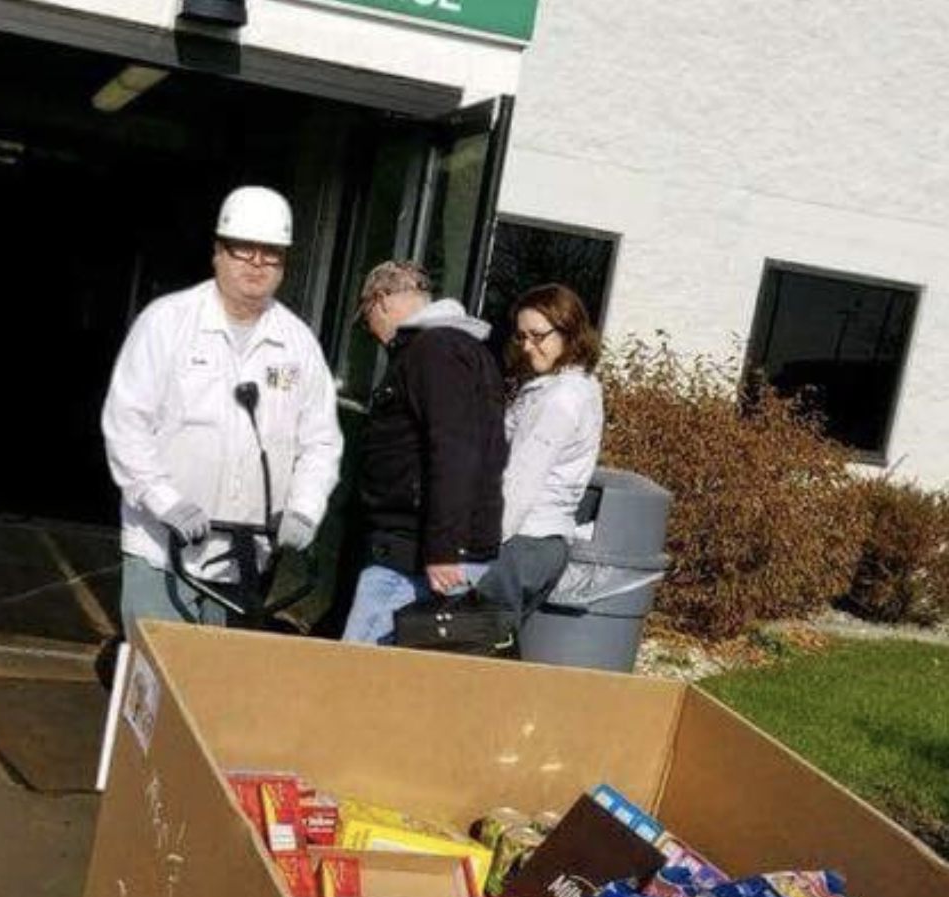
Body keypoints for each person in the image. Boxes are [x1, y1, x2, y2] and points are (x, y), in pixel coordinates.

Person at [101, 186, 342, 636]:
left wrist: (305, 508)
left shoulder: (297, 343)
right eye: (243, 249)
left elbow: (321, 441)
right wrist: (162, 500)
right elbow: (126, 424)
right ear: (218, 252)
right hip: (163, 547)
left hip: (245, 558)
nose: (256, 263)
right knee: (154, 677)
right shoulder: (168, 323)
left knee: (213, 687)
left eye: (271, 253)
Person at [339, 261, 507, 643]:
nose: (373, 333)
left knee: (351, 678)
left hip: (414, 555)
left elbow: (455, 452)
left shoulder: (434, 351)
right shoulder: (459, 349)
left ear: (379, 301)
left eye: (367, 319)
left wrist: (443, 549)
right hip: (428, 549)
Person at [477, 283, 604, 628]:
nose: (528, 346)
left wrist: (478, 549)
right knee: (487, 651)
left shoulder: (559, 399)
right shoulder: (578, 387)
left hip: (520, 541)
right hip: (542, 545)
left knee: (470, 655)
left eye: (538, 335)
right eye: (521, 337)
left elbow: (521, 481)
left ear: (569, 331)